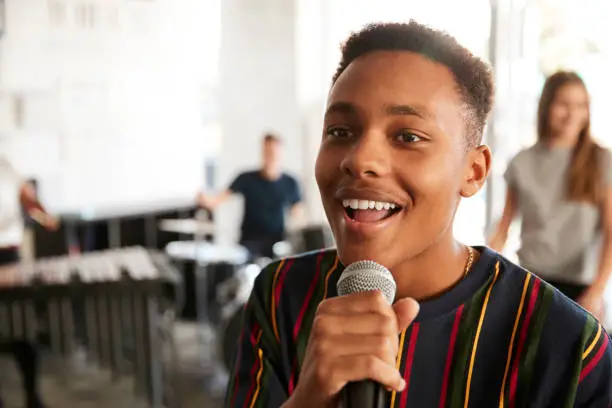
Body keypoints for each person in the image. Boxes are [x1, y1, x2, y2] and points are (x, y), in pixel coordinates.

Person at [224, 22, 612, 408]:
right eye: (340, 131)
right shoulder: (280, 295)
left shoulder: (570, 347)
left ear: (473, 171)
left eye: (408, 136)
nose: (360, 159)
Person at [489, 71, 611, 319]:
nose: (572, 114)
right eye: (563, 104)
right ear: (546, 107)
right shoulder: (521, 162)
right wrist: (481, 276)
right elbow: (503, 229)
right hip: (531, 283)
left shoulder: (601, 161)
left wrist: (597, 291)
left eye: (580, 105)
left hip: (582, 291)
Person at [0, 155, 57, 408]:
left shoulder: (6, 165)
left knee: (21, 325)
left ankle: (32, 395)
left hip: (9, 255)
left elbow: (28, 198)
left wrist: (44, 214)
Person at [198, 134, 302, 259]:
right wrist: (206, 200)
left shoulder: (290, 182)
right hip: (249, 244)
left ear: (281, 153)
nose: (271, 156)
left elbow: (298, 214)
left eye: (274, 152)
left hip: (277, 243)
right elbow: (218, 199)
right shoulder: (246, 178)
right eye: (267, 151)